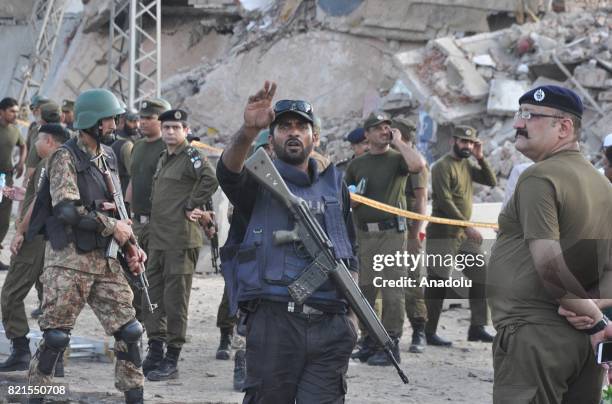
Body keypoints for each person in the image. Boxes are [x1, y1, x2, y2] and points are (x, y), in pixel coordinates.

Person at [218, 81, 359, 402]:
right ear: (273, 136)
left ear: (315, 137)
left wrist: (351, 320)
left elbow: (351, 251)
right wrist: (248, 130)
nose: (293, 133)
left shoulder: (334, 187)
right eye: (284, 127)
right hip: (274, 323)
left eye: (301, 127)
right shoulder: (257, 181)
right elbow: (228, 173)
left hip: (330, 325)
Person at [488, 85, 612, 403]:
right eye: (519, 113)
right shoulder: (602, 184)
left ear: (564, 127)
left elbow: (550, 268)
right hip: (583, 344)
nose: (518, 123)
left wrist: (595, 318)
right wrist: (594, 309)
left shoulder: (539, 178)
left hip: (534, 337)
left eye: (530, 115)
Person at [26, 88, 147, 404]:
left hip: (105, 261)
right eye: (110, 120)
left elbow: (117, 209)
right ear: (93, 121)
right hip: (69, 260)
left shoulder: (108, 156)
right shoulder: (64, 156)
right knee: (55, 337)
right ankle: (34, 396)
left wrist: (131, 244)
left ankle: (135, 396)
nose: (115, 125)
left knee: (130, 331)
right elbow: (67, 209)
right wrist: (114, 227)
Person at [343, 111, 425, 366]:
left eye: (387, 126)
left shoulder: (397, 159)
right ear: (366, 134)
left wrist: (400, 142)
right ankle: (369, 341)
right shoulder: (357, 164)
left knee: (392, 293)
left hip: (392, 233)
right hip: (365, 233)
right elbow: (347, 197)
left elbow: (417, 166)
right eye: (378, 128)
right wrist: (353, 202)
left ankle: (390, 344)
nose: (384, 131)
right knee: (366, 291)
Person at [142, 109, 218, 381]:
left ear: (186, 130)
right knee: (151, 297)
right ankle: (155, 348)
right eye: (166, 127)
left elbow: (211, 179)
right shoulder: (165, 157)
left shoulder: (192, 156)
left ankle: (171, 358)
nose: (170, 132)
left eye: (176, 127)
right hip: (159, 240)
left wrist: (192, 204)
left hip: (180, 240)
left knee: (176, 302)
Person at [0, 124, 70, 373]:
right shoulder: (65, 161)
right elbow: (40, 197)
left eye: (38, 140)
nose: (35, 145)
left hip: (36, 238)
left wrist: (19, 232)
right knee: (51, 298)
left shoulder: (49, 162)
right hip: (55, 238)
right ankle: (55, 359)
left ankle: (20, 350)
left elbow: (40, 202)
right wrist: (23, 194)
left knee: (10, 294)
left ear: (49, 141)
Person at [424, 125, 497, 346]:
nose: (467, 146)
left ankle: (477, 327)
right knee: (438, 282)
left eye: (471, 143)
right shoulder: (441, 166)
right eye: (463, 142)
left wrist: (481, 158)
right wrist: (467, 226)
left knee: (480, 274)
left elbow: (491, 181)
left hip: (462, 236)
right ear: (453, 142)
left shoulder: (467, 164)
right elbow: (445, 202)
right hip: (443, 233)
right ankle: (428, 332)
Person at [124, 98, 170, 322]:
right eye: (141, 118)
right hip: (138, 221)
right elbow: (134, 179)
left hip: (158, 222)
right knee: (134, 272)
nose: (143, 122)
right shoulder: (139, 146)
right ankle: (139, 319)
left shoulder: (168, 147)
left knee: (154, 275)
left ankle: (157, 322)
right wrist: (125, 212)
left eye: (149, 118)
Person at [392, 117, 429, 354]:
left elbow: (421, 199)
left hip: (409, 232)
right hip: (391, 231)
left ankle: (419, 331)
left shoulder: (412, 159)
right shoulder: (394, 159)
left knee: (412, 283)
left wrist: (415, 234)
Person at [0, 97, 27, 271]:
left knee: (4, 217)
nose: (15, 114)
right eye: (12, 111)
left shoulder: (15, 130)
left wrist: (21, 162)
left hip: (7, 178)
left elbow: (23, 146)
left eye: (16, 111)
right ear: (1, 112)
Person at [111, 110, 141, 196]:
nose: (136, 125)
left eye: (137, 121)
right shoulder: (127, 145)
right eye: (132, 121)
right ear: (123, 122)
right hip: (124, 190)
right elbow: (133, 173)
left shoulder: (116, 137)